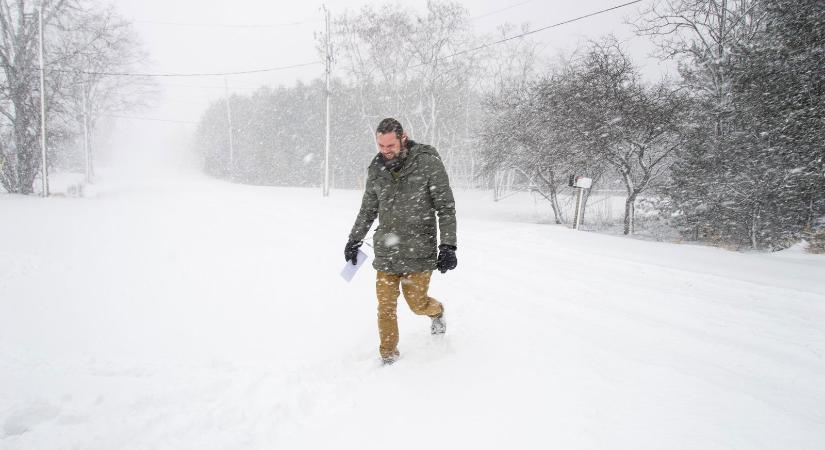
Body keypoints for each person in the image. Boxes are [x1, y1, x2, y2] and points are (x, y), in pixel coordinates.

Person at [345, 118, 458, 365]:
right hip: (386, 251)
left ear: (403, 138)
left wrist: (448, 245)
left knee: (417, 304)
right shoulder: (376, 170)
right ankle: (388, 356)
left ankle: (436, 311)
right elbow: (368, 210)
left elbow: (445, 207)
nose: (386, 151)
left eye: (391, 145)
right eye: (381, 145)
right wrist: (354, 239)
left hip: (419, 250)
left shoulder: (427, 163)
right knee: (385, 307)